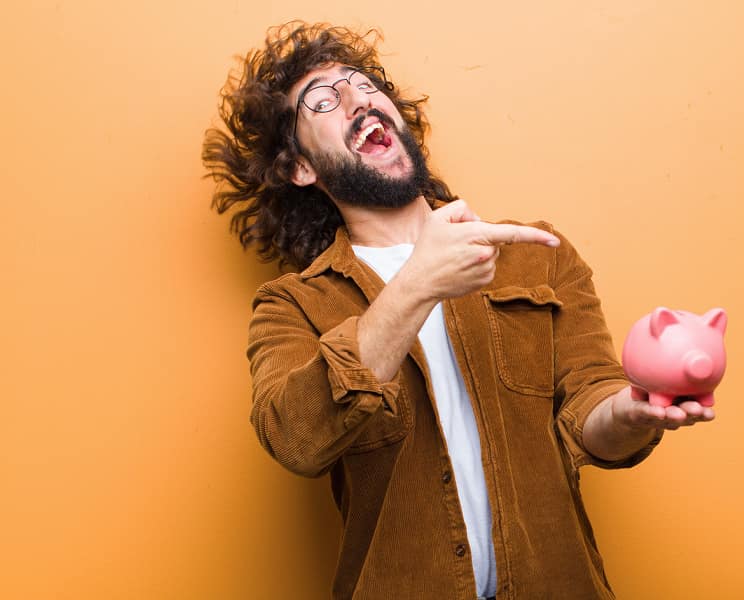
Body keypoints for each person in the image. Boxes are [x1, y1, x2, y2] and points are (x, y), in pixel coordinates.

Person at [203, 21, 715, 600]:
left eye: (364, 83)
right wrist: (416, 284)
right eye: (323, 100)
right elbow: (295, 440)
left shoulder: (533, 256)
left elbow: (593, 420)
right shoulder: (292, 306)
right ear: (301, 168)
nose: (358, 98)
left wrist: (635, 409)